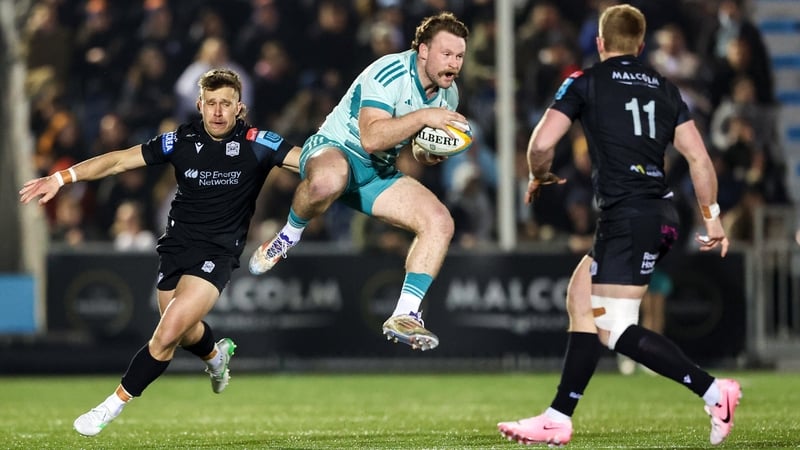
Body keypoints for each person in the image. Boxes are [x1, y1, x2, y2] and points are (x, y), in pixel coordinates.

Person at [496, 4, 741, 447]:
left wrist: (537, 175)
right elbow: (699, 158)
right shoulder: (665, 88)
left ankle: (713, 391)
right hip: (658, 213)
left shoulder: (585, 81)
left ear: (601, 42)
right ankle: (558, 415)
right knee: (580, 295)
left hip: (629, 215)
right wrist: (713, 218)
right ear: (641, 46)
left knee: (614, 329)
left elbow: (541, 142)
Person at [19, 68, 301, 436]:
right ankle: (217, 356)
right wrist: (60, 177)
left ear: (239, 108)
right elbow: (119, 160)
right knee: (184, 330)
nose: (218, 111)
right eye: (211, 103)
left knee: (166, 333)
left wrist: (342, 165)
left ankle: (110, 407)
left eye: (226, 104)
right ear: (199, 105)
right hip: (176, 246)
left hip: (219, 250)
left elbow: (307, 160)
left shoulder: (259, 142)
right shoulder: (180, 141)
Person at [248, 11, 470, 351]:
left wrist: (430, 154)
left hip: (376, 173)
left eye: (459, 56)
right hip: (336, 150)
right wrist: (425, 116)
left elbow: (416, 148)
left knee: (440, 222)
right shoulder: (390, 70)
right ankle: (287, 237)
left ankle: (405, 315)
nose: (454, 63)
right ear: (423, 51)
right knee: (328, 181)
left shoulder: (447, 94)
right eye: (446, 54)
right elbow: (371, 138)